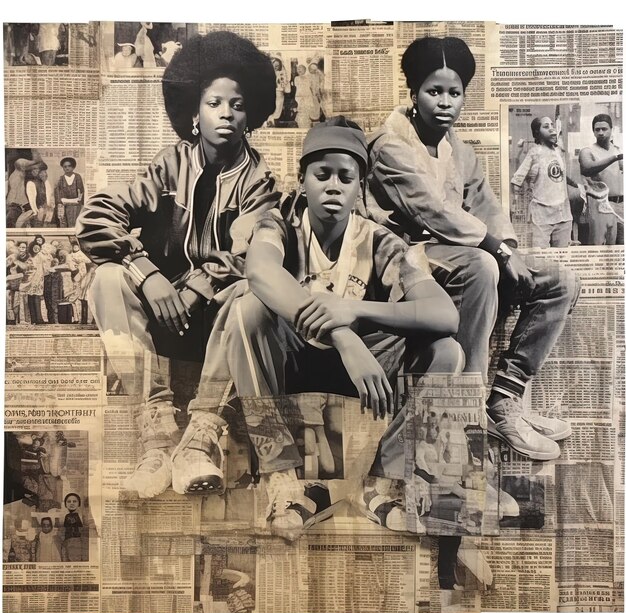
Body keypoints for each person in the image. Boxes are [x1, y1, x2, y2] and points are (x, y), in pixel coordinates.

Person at [187, 116, 464, 541]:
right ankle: (283, 479)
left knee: (447, 351)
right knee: (246, 310)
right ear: (302, 180)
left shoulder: (379, 240)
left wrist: (353, 311)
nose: (333, 185)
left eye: (345, 176)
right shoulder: (279, 224)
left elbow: (444, 314)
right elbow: (261, 272)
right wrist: (342, 334)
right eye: (322, 174)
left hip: (367, 376)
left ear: (360, 187)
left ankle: (384, 482)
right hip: (296, 364)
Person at [76, 31, 279, 499]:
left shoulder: (260, 181)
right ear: (195, 112)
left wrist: (195, 286)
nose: (226, 113)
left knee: (252, 292)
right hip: (160, 313)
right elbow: (97, 217)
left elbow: (248, 253)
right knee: (107, 277)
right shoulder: (168, 166)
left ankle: (200, 437)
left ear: (250, 117)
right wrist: (148, 275)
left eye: (238, 105)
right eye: (214, 103)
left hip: (217, 318)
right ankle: (158, 438)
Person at [364, 36, 580, 462]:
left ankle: (503, 399)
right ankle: (466, 413)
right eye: (434, 91)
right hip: (409, 261)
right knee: (483, 266)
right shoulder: (388, 144)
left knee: (559, 282)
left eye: (454, 92)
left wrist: (511, 248)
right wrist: (499, 252)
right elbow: (432, 212)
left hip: (460, 252)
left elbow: (484, 202)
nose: (445, 102)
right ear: (413, 92)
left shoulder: (458, 147)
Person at [511, 116, 580, 248]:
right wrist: (516, 205)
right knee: (541, 258)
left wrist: (579, 187)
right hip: (542, 216)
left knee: (562, 258)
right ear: (537, 133)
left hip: (563, 216)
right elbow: (517, 180)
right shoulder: (534, 152)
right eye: (546, 126)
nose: (551, 129)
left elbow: (561, 176)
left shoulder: (559, 152)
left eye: (552, 125)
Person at [578, 114, 624, 246]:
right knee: (599, 247)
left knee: (621, 246)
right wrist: (614, 158)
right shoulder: (588, 151)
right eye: (597, 130)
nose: (601, 133)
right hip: (600, 206)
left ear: (611, 129)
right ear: (593, 131)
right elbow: (587, 168)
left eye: (604, 129)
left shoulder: (618, 150)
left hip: (621, 204)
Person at [54, 157, 85, 229]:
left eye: (69, 166)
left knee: (73, 225)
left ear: (73, 167)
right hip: (63, 204)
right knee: (63, 223)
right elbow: (58, 192)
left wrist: (80, 202)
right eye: (65, 167)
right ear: (63, 168)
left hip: (75, 205)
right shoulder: (61, 178)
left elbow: (81, 191)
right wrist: (60, 203)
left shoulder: (77, 177)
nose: (67, 168)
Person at [62, 492, 85, 561]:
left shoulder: (79, 516)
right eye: (69, 501)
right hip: (68, 541)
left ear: (79, 504)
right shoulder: (67, 516)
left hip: (76, 542)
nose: (71, 503)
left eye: (74, 501)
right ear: (65, 504)